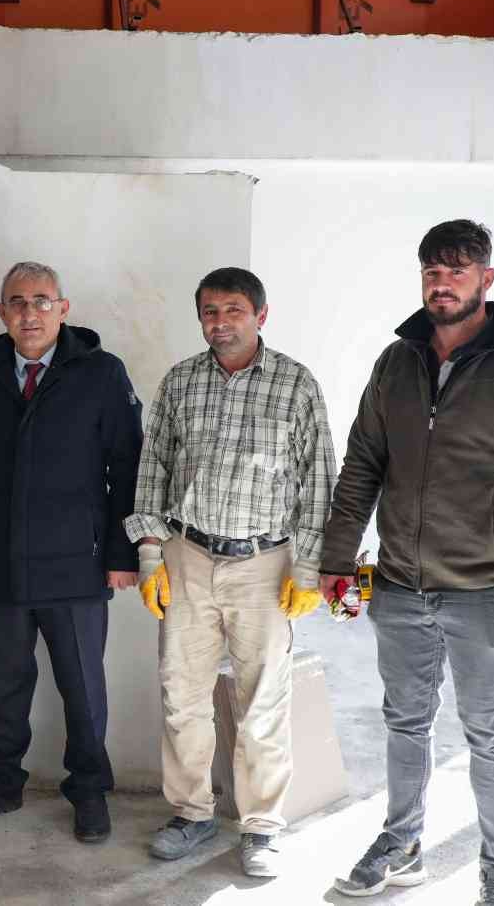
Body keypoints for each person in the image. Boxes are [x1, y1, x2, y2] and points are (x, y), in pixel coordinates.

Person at [320, 220, 494, 906]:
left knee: (489, 736)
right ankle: (402, 846)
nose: (442, 283)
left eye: (457, 271)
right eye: (432, 270)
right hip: (400, 583)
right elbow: (363, 463)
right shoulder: (396, 362)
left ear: (486, 279)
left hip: (486, 588)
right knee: (404, 721)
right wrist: (339, 556)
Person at [127, 267, 337, 879]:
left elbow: (318, 480)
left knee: (262, 701)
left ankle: (261, 826)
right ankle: (191, 812)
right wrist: (150, 554)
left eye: (234, 310)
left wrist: (307, 566)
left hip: (265, 565)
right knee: (182, 695)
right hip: (188, 557)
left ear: (260, 316)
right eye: (210, 312)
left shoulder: (296, 385)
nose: (221, 323)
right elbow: (153, 468)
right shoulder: (181, 381)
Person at [0, 261, 143, 844]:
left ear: (63, 308)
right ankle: (1, 783)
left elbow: (128, 467)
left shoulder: (101, 373)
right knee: (2, 682)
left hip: (78, 560)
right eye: (17, 302)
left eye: (41, 301)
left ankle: (89, 789)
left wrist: (124, 552)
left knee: (82, 685)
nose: (30, 312)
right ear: (2, 312)